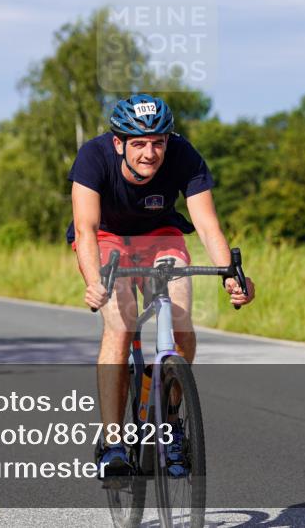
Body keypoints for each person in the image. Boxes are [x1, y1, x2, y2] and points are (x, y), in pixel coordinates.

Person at [67, 93, 256, 482]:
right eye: (138, 144)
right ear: (119, 143)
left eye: (158, 142)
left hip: (161, 236)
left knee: (182, 326)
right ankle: (112, 443)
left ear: (168, 140)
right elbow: (85, 228)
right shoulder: (93, 156)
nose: (149, 153)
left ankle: (169, 422)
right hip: (107, 238)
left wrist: (232, 276)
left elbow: (206, 225)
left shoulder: (185, 156)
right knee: (120, 326)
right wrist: (92, 283)